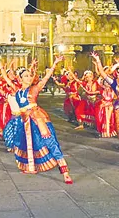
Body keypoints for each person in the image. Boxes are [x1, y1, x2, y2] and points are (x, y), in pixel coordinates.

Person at [9, 56, 72, 184]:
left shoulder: (34, 88)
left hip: (38, 119)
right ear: (20, 79)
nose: (29, 77)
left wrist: (54, 64)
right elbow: (6, 79)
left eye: (29, 75)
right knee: (28, 144)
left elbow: (46, 78)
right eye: (26, 76)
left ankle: (65, 172)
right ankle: (31, 167)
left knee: (50, 142)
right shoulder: (17, 91)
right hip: (25, 121)